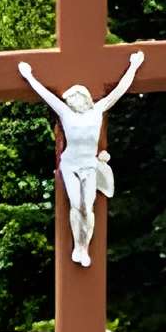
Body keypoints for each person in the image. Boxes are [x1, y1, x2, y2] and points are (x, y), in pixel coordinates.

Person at [19, 50, 146, 267]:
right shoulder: (65, 113)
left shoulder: (97, 110)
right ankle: (77, 246)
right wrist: (28, 76)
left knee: (88, 206)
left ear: (83, 98)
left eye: (73, 99)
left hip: (89, 164)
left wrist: (133, 65)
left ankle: (84, 247)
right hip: (70, 164)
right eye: (68, 100)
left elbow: (119, 91)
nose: (70, 102)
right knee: (76, 204)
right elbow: (46, 95)